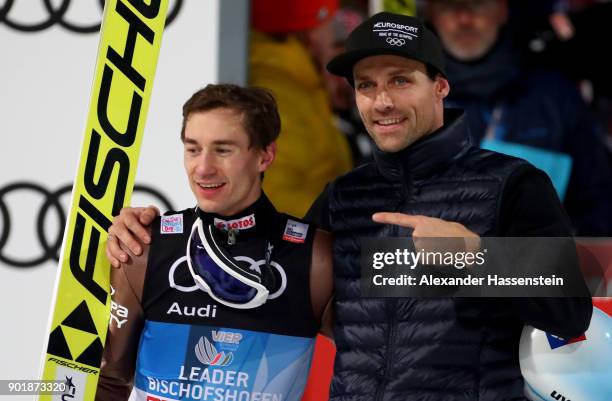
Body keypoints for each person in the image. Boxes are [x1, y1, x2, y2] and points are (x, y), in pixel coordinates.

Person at [107, 12, 593, 401]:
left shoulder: (512, 183)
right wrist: (147, 233)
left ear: (440, 86)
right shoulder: (344, 198)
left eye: (401, 81)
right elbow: (258, 260)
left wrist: (475, 259)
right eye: (366, 85)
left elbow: (570, 312)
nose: (382, 101)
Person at [96, 84, 333, 401]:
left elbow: (372, 366)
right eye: (193, 149)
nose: (203, 168)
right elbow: (108, 383)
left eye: (223, 150)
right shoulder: (143, 246)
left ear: (265, 155)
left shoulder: (315, 257)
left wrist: (424, 260)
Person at [425, 0, 612, 236]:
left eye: (478, 4)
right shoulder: (407, 100)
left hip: (539, 266)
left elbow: (599, 203)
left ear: (503, 11)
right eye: (449, 6)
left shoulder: (555, 96)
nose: (464, 19)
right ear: (432, 14)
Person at [249, 0, 353, 217]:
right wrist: (352, 222)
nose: (337, 36)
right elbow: (274, 198)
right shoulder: (280, 92)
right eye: (333, 27)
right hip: (309, 244)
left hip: (321, 240)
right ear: (310, 32)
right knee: (414, 247)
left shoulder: (300, 81)